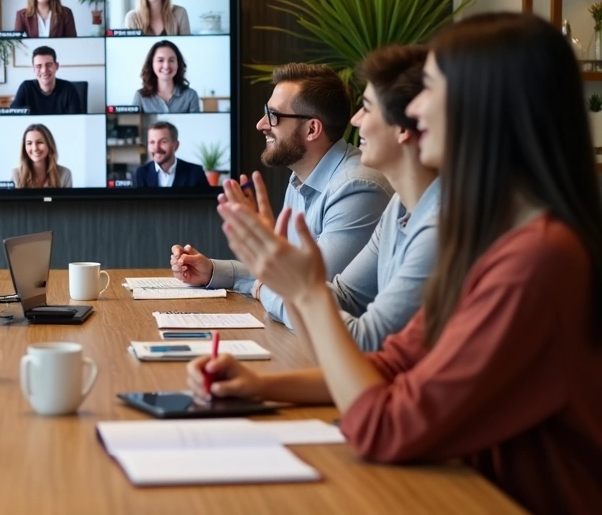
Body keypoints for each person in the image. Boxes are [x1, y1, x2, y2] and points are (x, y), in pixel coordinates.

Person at [190, 13, 602, 515]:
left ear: (487, 107)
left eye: (432, 87)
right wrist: (258, 386)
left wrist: (305, 293)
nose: (416, 108)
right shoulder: (492, 236)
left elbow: (385, 428)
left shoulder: (535, 259)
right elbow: (392, 366)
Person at [229, 46, 439, 351]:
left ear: (407, 127)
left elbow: (362, 334)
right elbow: (341, 297)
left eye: (367, 107)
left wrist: (273, 284)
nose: (355, 120)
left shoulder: (367, 189)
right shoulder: (398, 207)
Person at [171, 63, 393, 328]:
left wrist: (265, 288)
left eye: (273, 116)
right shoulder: (300, 177)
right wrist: (214, 272)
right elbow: (285, 277)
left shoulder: (357, 188)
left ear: (312, 129)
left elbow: (305, 292)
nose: (261, 124)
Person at [10, 46, 83, 114]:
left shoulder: (69, 89)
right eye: (39, 66)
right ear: (34, 69)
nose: (44, 70)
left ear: (56, 66)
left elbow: (76, 122)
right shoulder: (25, 88)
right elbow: (13, 118)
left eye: (49, 65)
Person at [132, 39, 201, 113]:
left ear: (178, 64)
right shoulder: (140, 96)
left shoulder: (191, 95)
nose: (166, 66)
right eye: (160, 60)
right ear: (151, 64)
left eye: (171, 60)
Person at [131, 120, 206, 187]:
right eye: (152, 142)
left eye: (163, 142)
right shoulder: (140, 173)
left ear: (176, 145)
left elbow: (207, 201)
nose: (156, 148)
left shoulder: (195, 172)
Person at [12, 123, 72, 188]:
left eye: (39, 142)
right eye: (29, 143)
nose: (35, 148)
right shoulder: (16, 174)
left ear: (49, 145)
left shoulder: (65, 173)